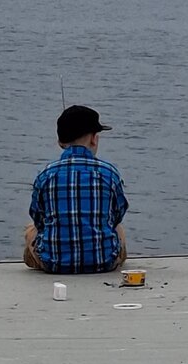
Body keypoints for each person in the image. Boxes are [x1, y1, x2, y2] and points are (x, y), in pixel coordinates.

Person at [24, 105, 128, 274]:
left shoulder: (46, 174)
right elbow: (118, 214)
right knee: (119, 229)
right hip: (103, 263)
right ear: (94, 139)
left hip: (54, 265)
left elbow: (38, 218)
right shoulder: (109, 173)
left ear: (60, 142)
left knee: (30, 230)